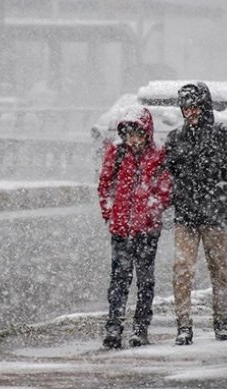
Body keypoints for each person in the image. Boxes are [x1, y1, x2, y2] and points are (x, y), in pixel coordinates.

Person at [164, 82, 227, 345]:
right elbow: (168, 176)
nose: (190, 112)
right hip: (187, 216)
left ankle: (221, 322)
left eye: (194, 106)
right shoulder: (175, 139)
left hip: (213, 216)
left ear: (203, 106)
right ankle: (184, 325)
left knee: (218, 270)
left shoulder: (222, 136)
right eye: (185, 107)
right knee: (182, 270)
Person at [97, 106, 172, 349]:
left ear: (146, 133)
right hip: (121, 230)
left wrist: (150, 213)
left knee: (145, 279)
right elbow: (105, 186)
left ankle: (140, 327)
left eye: (137, 134)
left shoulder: (158, 157)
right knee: (119, 279)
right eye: (128, 134)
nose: (133, 140)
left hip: (147, 230)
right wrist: (110, 212)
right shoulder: (118, 155)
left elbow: (165, 190)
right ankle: (114, 326)